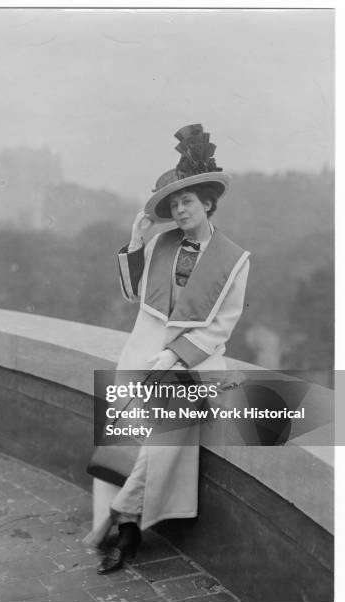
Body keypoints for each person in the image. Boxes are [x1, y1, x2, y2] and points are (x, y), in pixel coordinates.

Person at [85, 124, 250, 574]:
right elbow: (131, 293)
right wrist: (137, 241)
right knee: (128, 440)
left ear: (208, 204)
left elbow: (221, 326)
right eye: (174, 204)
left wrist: (176, 355)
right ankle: (124, 528)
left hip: (189, 363)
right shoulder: (160, 243)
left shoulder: (235, 259)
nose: (179, 209)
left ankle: (126, 529)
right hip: (141, 355)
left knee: (159, 443)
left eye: (187, 202)